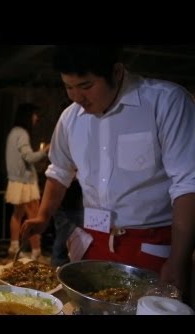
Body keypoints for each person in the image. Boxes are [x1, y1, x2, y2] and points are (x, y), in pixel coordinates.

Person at [21, 45, 195, 299]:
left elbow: (188, 183)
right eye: (68, 87)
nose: (76, 97)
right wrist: (43, 216)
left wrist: (178, 258)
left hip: (153, 245)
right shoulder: (70, 118)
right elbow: (59, 171)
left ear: (116, 71)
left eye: (86, 86)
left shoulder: (165, 102)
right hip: (94, 241)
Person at [5, 103, 49, 259]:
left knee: (17, 215)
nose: (36, 118)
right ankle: (36, 252)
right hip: (25, 180)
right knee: (34, 216)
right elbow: (29, 157)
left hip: (15, 180)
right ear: (28, 115)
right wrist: (45, 151)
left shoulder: (13, 132)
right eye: (34, 114)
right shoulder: (22, 133)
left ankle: (14, 246)